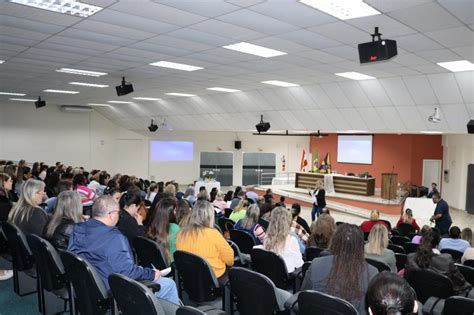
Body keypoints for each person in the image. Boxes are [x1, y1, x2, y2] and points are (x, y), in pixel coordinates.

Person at [68, 195, 180, 305]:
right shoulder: (114, 237)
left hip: (87, 287)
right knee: (169, 284)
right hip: (112, 290)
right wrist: (151, 274)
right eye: (118, 212)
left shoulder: (78, 229)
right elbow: (127, 272)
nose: (119, 216)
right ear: (110, 215)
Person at [301, 224, 378, 315]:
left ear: (335, 242)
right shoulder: (372, 273)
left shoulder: (316, 264)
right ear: (361, 246)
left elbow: (303, 297)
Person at [176, 200, 234, 286]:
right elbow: (230, 260)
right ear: (210, 216)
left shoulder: (181, 233)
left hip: (190, 279)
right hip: (213, 281)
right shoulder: (213, 234)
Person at [405, 231, 471, 295]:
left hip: (418, 292)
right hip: (442, 295)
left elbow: (407, 278)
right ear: (437, 245)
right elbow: (460, 280)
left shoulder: (410, 257)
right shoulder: (447, 259)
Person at [256, 207, 303, 273]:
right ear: (287, 222)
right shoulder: (292, 240)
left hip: (268, 275)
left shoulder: (266, 237)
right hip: (285, 279)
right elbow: (299, 265)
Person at [146, 197, 179, 264]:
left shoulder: (151, 227)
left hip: (155, 268)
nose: (176, 213)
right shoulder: (175, 228)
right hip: (172, 269)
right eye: (175, 210)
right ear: (170, 213)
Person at [0, 173, 14, 281]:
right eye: (10, 181)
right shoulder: (4, 203)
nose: (12, 183)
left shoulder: (5, 199)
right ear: (3, 183)